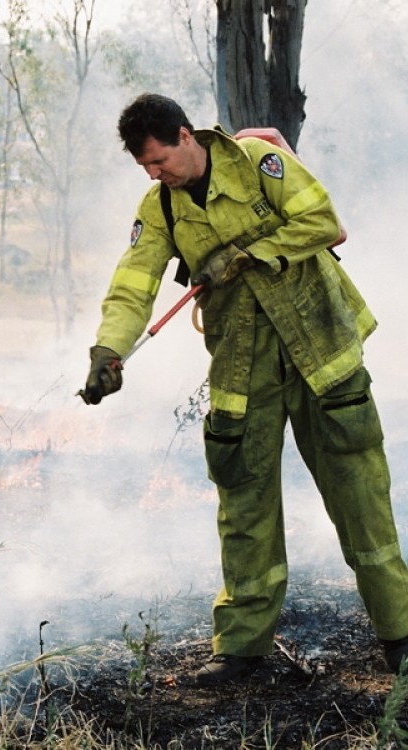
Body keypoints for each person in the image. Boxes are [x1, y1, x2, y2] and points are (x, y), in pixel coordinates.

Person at [81, 92, 408, 684]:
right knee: (245, 507)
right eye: (145, 169)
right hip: (241, 370)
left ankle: (402, 634)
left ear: (186, 136)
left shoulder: (259, 162)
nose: (157, 175)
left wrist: (244, 254)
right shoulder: (161, 208)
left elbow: (324, 222)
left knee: (360, 496)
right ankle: (241, 651)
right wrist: (109, 351)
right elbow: (133, 283)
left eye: (160, 161)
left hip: (322, 355)